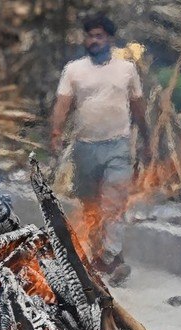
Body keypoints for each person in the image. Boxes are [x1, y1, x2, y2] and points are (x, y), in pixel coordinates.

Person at [50, 13, 149, 286]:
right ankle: (97, 255)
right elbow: (62, 103)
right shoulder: (74, 70)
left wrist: (146, 137)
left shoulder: (126, 69)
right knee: (90, 204)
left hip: (117, 144)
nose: (93, 41)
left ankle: (114, 257)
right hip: (85, 147)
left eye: (99, 36)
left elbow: (138, 105)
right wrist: (56, 132)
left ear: (109, 40)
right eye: (89, 36)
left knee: (114, 204)